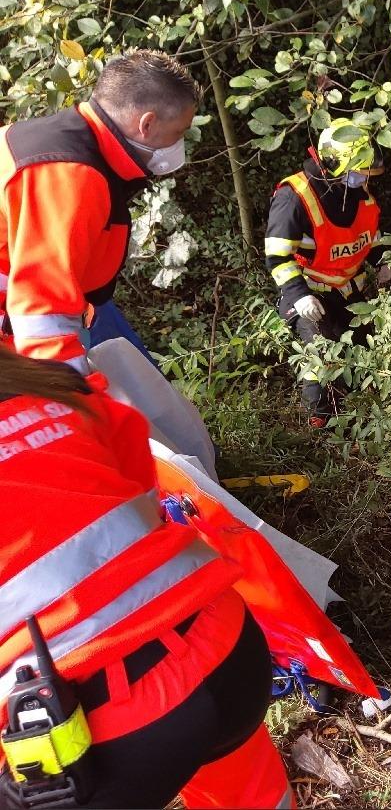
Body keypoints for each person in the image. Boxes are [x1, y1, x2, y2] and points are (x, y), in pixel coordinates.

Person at [0, 349, 292, 809]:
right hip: (226, 641)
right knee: (253, 794)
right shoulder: (48, 389)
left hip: (102, 723)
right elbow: (144, 485)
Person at [0, 50, 199, 375]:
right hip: (25, 327)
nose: (179, 142)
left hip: (57, 308)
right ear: (146, 123)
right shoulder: (70, 173)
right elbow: (42, 312)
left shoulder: (64, 142)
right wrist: (72, 403)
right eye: (179, 131)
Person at [264, 119, 386, 427]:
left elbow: (370, 237)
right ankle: (319, 428)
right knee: (319, 357)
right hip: (307, 291)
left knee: (362, 353)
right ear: (336, 165)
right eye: (358, 170)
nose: (364, 177)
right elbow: (276, 256)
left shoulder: (358, 195)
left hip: (347, 291)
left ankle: (361, 419)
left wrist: (384, 264)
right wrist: (298, 295)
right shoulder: (294, 197)